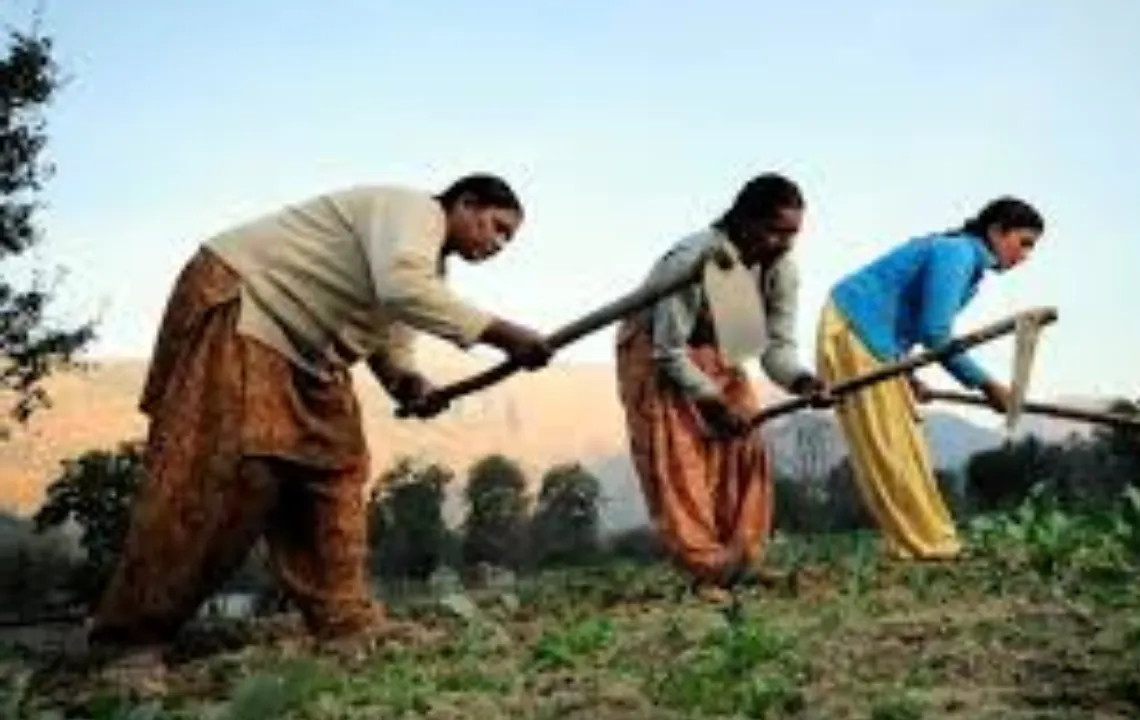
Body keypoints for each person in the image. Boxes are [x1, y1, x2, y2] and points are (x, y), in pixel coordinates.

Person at [82, 174, 554, 682]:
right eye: (496, 227)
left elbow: (391, 333)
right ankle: (130, 639)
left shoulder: (425, 267)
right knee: (227, 473)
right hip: (249, 304)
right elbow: (403, 287)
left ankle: (344, 622)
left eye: (507, 239)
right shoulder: (413, 212)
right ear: (466, 203)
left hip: (313, 353)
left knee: (336, 472)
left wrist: (407, 381)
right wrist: (506, 336)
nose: (497, 244)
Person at [614, 172, 826, 604]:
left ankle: (742, 560)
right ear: (745, 221)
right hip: (656, 351)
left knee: (744, 444)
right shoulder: (694, 259)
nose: (784, 243)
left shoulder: (781, 270)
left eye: (792, 234)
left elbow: (775, 349)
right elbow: (669, 350)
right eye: (775, 231)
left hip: (719, 351)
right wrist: (710, 401)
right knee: (680, 460)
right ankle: (708, 569)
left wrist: (803, 381)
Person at [816, 196, 1044, 561]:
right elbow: (935, 333)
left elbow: (905, 322)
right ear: (997, 231)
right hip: (854, 329)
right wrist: (986, 385)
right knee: (890, 447)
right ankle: (927, 545)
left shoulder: (964, 260)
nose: (1025, 255)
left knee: (907, 444)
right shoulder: (956, 253)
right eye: (1024, 243)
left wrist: (906, 374)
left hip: (876, 342)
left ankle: (934, 540)